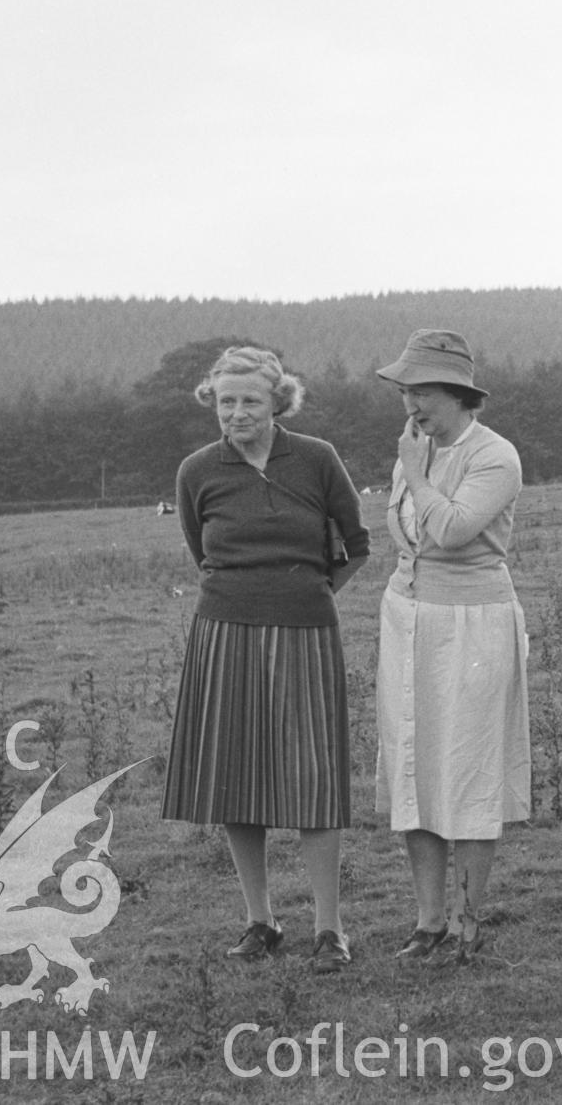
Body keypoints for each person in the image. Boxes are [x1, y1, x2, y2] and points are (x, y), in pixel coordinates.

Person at [163, 347, 369, 973]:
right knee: (234, 777)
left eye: (250, 399)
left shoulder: (317, 458)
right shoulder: (197, 471)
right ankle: (261, 921)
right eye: (226, 401)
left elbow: (356, 546)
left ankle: (328, 930)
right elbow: (202, 552)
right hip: (224, 630)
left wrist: (307, 593)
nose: (237, 412)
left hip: (306, 630)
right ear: (212, 403)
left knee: (312, 777)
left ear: (279, 401)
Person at [374, 329, 533, 963]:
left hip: (473, 625)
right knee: (415, 760)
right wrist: (413, 467)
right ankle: (428, 919)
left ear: (460, 395)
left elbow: (454, 531)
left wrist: (416, 472)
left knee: (466, 769)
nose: (412, 406)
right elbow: (407, 536)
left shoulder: (495, 456)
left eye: (424, 393)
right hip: (410, 618)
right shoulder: (414, 450)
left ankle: (468, 919)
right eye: (406, 392)